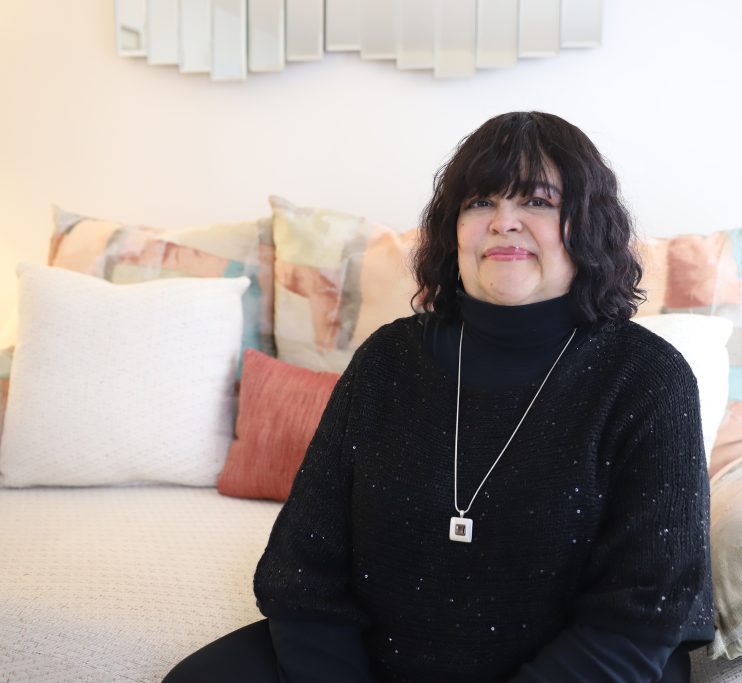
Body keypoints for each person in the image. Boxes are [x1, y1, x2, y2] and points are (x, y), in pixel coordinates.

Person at [164, 111, 713, 683]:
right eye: (479, 202)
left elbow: (643, 613)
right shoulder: (386, 358)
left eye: (538, 202)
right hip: (378, 661)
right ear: (453, 229)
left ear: (588, 225)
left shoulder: (649, 378)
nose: (504, 222)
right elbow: (306, 568)